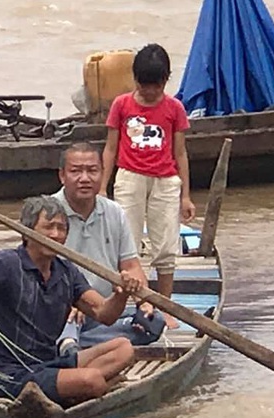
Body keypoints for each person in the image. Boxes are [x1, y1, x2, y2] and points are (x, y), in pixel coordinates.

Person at [0, 191, 141, 406]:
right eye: (48, 227)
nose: (56, 235)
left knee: (124, 348)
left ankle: (72, 388)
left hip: (50, 364)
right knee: (92, 379)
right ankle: (89, 387)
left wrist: (121, 294)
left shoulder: (65, 271)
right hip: (10, 375)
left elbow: (105, 314)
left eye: (61, 228)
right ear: (26, 232)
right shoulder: (7, 264)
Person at [52, 143, 179, 356]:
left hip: (106, 310)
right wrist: (68, 304)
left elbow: (131, 265)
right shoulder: (49, 212)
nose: (84, 178)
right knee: (64, 322)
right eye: (76, 171)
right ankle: (73, 342)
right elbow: (38, 272)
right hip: (66, 309)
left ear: (102, 174)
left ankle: (79, 345)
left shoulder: (114, 212)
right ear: (62, 176)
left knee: (152, 323)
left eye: (92, 171)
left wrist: (143, 302)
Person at [100, 43, 196, 299]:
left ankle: (164, 304)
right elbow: (110, 149)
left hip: (165, 180)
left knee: (165, 246)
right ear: (135, 79)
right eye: (145, 85)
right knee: (126, 241)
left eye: (158, 85)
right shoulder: (121, 105)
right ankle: (130, 299)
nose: (152, 91)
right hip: (129, 177)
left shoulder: (174, 108)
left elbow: (180, 153)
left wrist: (185, 195)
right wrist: (102, 187)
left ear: (166, 80)